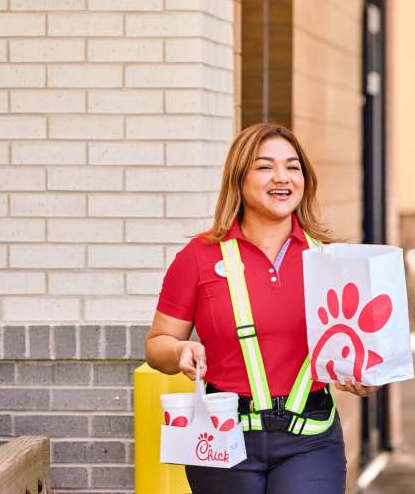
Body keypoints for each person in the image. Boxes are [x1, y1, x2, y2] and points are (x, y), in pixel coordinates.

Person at [145, 122, 378, 494]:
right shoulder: (198, 258)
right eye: (265, 166)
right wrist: (178, 350)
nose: (281, 177)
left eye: (293, 166)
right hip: (222, 437)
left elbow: (359, 346)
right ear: (239, 178)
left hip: (310, 439)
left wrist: (363, 374)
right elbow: (157, 344)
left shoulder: (331, 260)